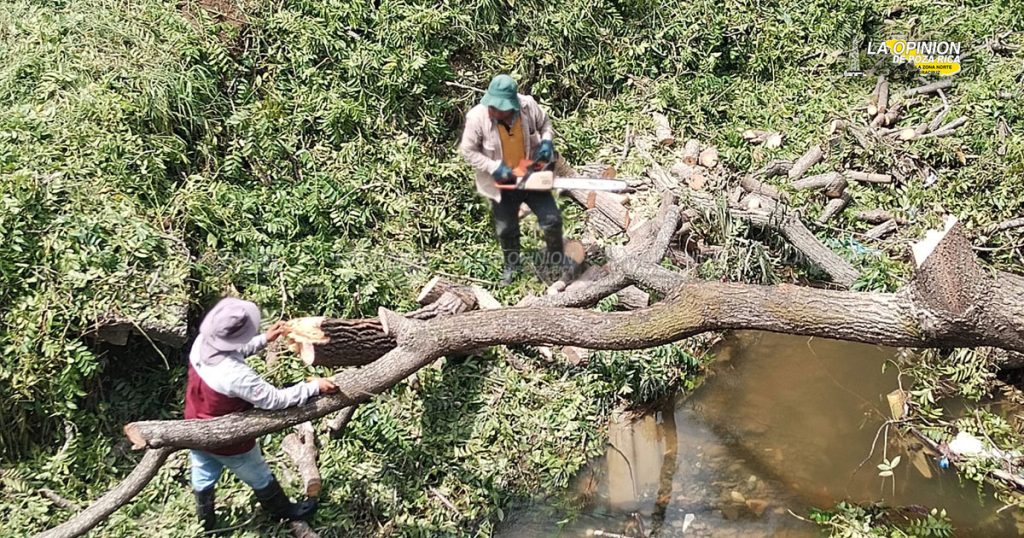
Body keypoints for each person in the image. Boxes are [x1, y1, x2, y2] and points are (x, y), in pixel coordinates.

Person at [185, 297, 337, 531]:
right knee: (259, 474)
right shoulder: (235, 375)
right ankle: (283, 511)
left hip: (194, 427)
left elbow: (235, 350)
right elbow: (274, 400)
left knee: (203, 470)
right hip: (228, 438)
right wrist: (313, 387)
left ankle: (205, 521)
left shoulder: (203, 343)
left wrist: (265, 339)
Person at [459, 74, 564, 285]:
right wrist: (493, 167)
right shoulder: (477, 118)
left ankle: (557, 257)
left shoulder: (527, 106)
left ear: (511, 106)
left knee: (552, 219)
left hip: (530, 174)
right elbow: (467, 151)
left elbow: (545, 124)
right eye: (492, 106)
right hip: (502, 182)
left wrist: (546, 142)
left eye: (498, 108)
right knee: (506, 228)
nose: (493, 111)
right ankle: (512, 265)